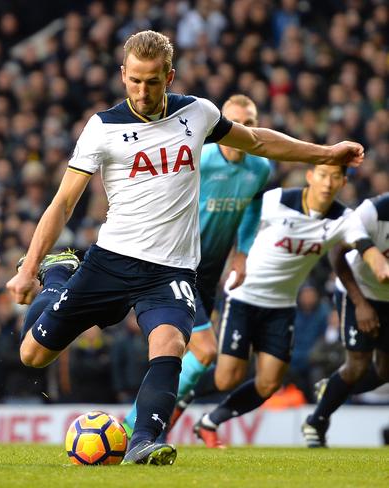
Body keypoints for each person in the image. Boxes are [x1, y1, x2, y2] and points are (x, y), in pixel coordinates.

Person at [6, 30, 365, 465]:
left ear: (170, 76)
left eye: (153, 81)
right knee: (33, 354)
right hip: (111, 262)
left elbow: (256, 141)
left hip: (171, 270)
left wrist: (326, 153)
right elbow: (63, 202)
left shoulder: (198, 114)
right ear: (122, 75)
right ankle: (59, 272)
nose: (142, 90)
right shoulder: (102, 128)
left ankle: (143, 441)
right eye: (135, 80)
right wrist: (27, 271)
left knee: (172, 343)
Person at [191, 166, 389, 448]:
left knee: (269, 384)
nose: (328, 183)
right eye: (323, 175)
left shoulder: (342, 218)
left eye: (335, 177)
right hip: (244, 294)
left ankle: (210, 422)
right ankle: (178, 394)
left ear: (344, 182)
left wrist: (379, 265)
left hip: (282, 305)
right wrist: (238, 256)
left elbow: (362, 243)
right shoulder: (279, 200)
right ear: (310, 176)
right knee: (226, 378)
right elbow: (243, 216)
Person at [122, 94, 271, 438]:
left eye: (249, 123)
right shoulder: (199, 158)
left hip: (212, 270)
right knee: (203, 350)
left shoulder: (260, 167)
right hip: (178, 263)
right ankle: (136, 426)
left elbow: (253, 208)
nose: (242, 130)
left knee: (184, 351)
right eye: (235, 123)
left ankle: (151, 425)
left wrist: (243, 253)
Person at [303, 192, 389, 447]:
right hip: (358, 289)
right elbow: (336, 254)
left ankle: (330, 389)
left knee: (386, 370)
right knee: (357, 365)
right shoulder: (374, 211)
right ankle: (316, 422)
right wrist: (360, 304)